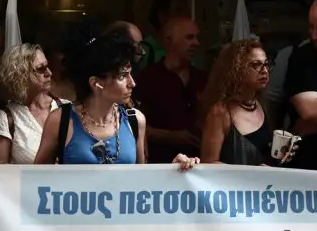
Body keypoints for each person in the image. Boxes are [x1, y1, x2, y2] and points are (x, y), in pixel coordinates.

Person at [33, 33, 198, 170]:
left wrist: (173, 170)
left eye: (130, 74)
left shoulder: (135, 120)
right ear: (96, 83)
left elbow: (143, 182)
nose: (132, 83)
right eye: (122, 76)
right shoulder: (61, 120)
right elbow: (36, 179)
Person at [134, 17, 206, 163]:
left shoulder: (203, 79)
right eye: (189, 37)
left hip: (198, 167)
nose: (196, 43)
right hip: (160, 166)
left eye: (197, 37)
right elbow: (134, 126)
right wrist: (172, 136)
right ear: (169, 41)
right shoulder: (147, 79)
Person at [200, 40, 276, 165]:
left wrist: (284, 153)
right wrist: (251, 173)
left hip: (265, 184)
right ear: (237, 69)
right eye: (256, 65)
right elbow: (209, 163)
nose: (264, 71)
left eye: (266, 64)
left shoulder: (262, 104)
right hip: (233, 184)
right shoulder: (220, 112)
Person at [0, 43, 62, 164]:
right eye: (40, 69)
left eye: (48, 66)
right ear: (21, 75)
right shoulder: (5, 118)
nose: (49, 73)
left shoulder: (65, 107)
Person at [284, 0, 317, 171]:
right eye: (311, 27)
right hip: (311, 169)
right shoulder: (302, 57)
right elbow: (310, 111)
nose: (314, 35)